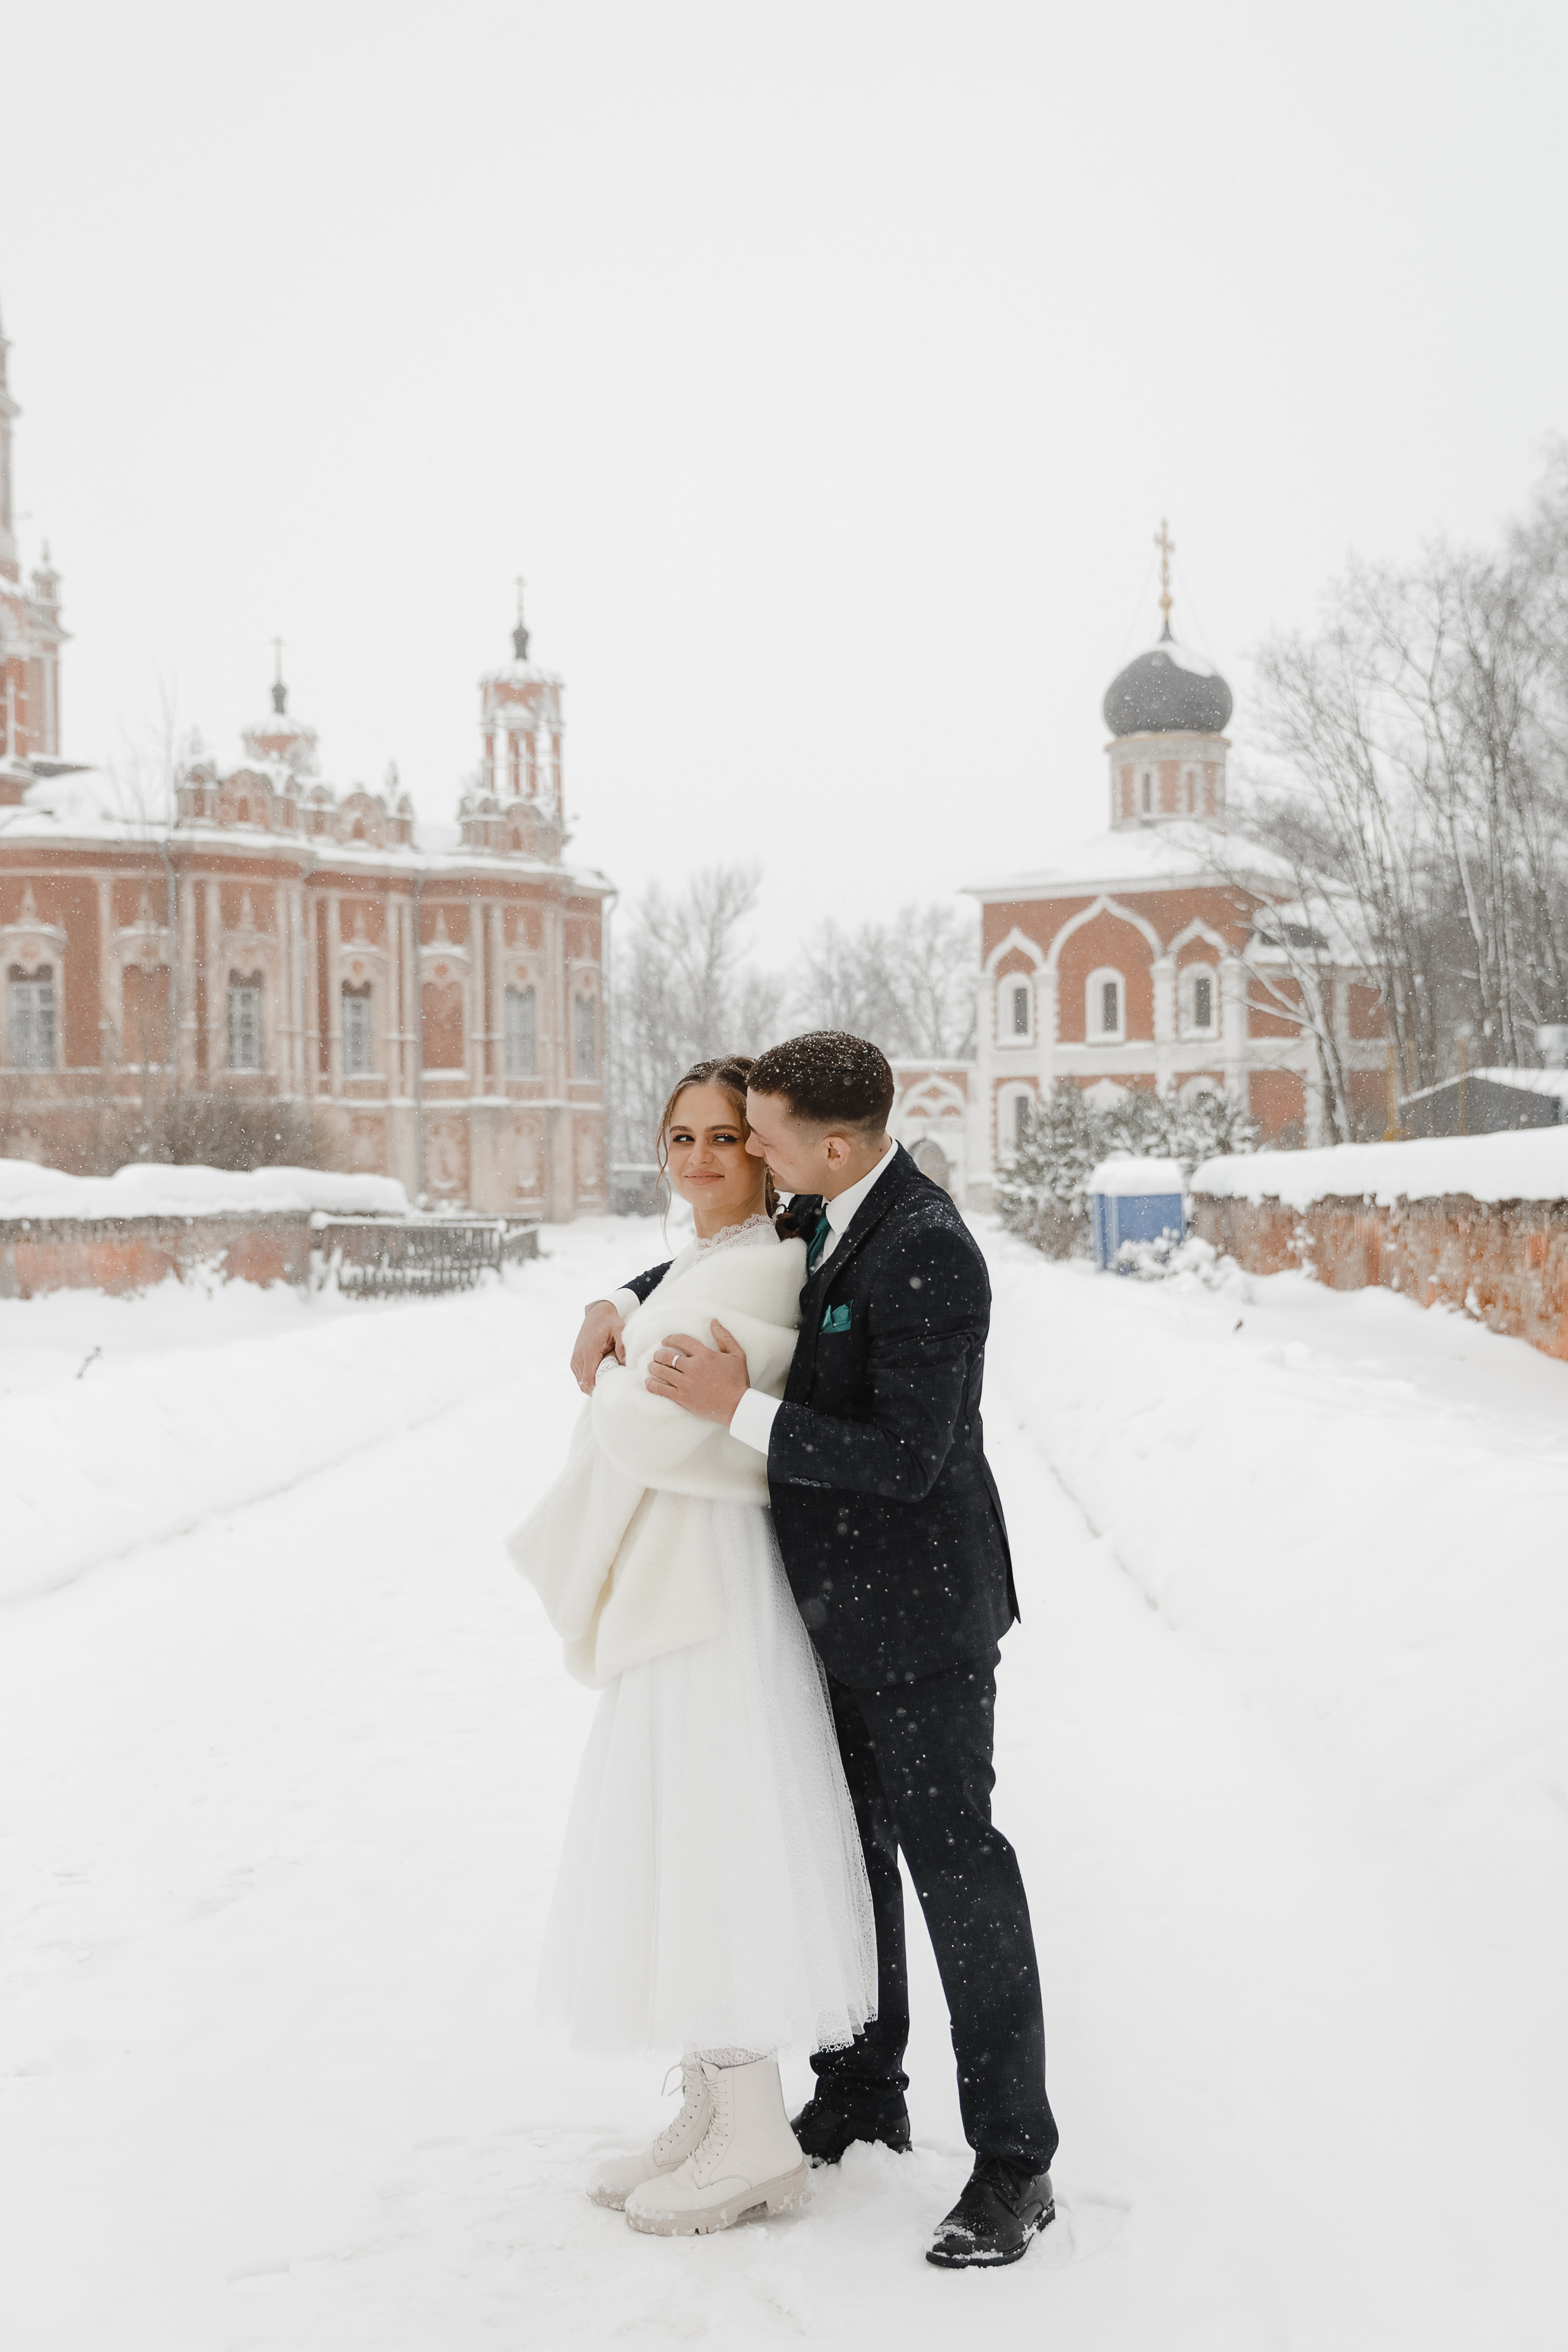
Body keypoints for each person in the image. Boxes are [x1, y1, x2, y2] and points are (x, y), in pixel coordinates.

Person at [573, 1031, 1060, 2268]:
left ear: (831, 1144)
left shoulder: (926, 1251)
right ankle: (859, 2090)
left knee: (955, 1871)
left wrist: (729, 1407)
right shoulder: (832, 1211)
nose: (751, 1155)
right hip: (826, 1611)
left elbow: (910, 1459)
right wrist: (620, 1299)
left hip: (924, 1619)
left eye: (766, 1136)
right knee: (848, 1861)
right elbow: (726, 1254)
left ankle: (1012, 2162)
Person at [510, 1055, 876, 2240]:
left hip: (712, 1583)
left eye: (726, 1139)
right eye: (680, 1140)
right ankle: (720, 2108)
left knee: (714, 1833)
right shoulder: (711, 1260)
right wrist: (619, 1311)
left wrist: (614, 1378)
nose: (701, 1161)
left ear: (765, 1153)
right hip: (685, 1577)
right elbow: (667, 1313)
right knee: (680, 1827)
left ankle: (757, 2133)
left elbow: (666, 1426)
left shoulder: (770, 1261)